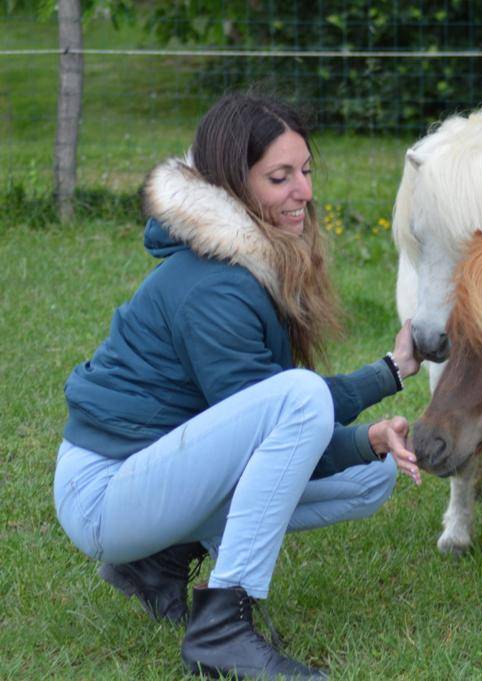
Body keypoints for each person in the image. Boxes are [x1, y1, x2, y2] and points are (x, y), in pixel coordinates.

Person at [53, 93, 421, 680]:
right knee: (301, 398)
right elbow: (286, 415)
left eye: (305, 171)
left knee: (370, 476)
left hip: (156, 478)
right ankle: (223, 630)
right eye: (280, 177)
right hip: (104, 492)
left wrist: (386, 388)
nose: (302, 191)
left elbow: (272, 419)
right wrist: (373, 406)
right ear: (233, 184)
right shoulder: (216, 288)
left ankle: (160, 559)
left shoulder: (247, 265)